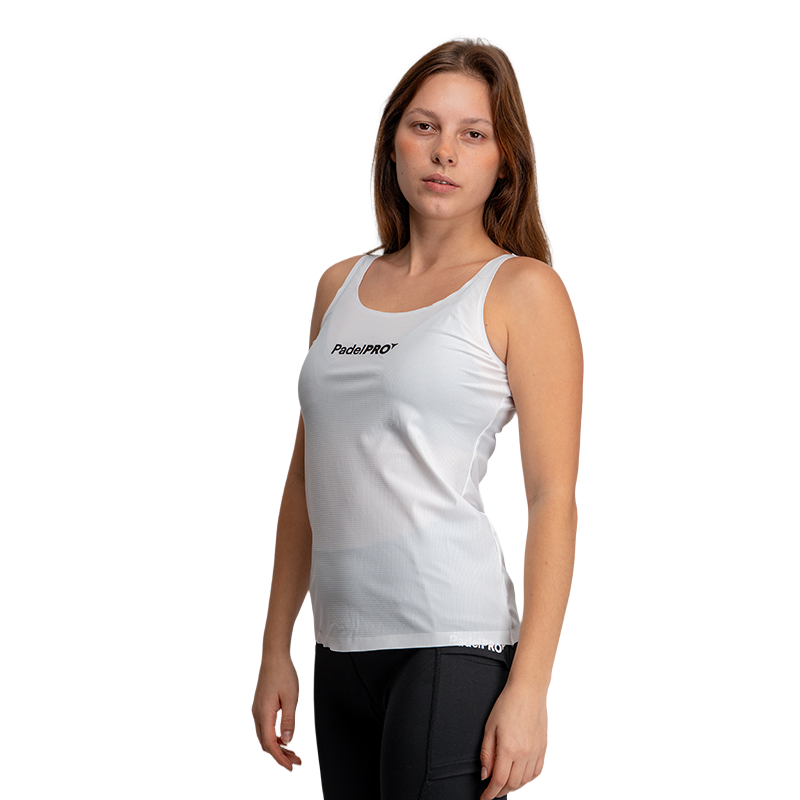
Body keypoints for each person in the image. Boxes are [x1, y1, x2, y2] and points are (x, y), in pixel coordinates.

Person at [252, 33, 584, 800]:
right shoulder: (338, 286)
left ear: (504, 161)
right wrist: (277, 651)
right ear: (391, 141)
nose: (444, 152)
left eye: (473, 134)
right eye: (424, 126)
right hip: (338, 651)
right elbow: (302, 488)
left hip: (452, 647)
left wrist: (531, 688)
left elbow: (550, 500)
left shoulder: (523, 291)